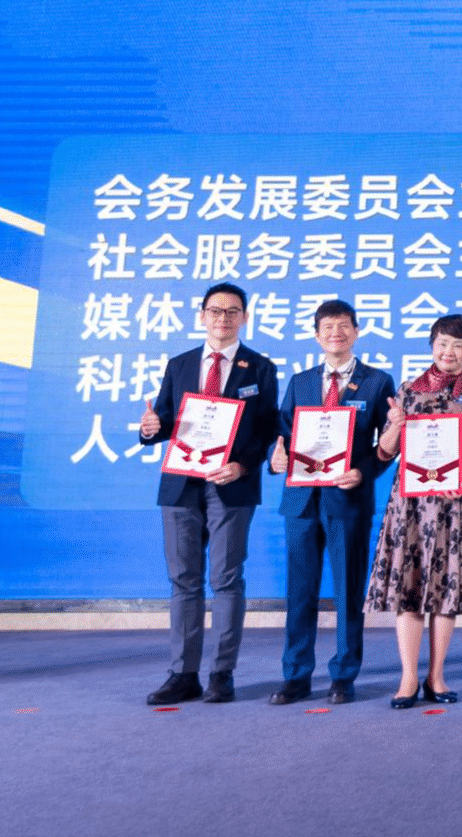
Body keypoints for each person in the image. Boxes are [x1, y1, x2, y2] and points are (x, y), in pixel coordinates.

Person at [139, 282, 280, 705]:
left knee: (226, 578)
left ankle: (222, 673)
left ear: (245, 318)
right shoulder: (179, 364)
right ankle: (183, 674)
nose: (223, 318)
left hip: (231, 484)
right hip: (181, 485)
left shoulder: (260, 368)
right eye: (215, 311)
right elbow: (165, 420)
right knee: (183, 579)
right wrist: (150, 429)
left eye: (233, 311)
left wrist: (243, 465)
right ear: (202, 316)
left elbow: (268, 430)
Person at [266, 299, 397, 706]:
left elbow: (387, 444)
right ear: (317, 335)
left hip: (348, 498)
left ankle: (343, 674)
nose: (335, 334)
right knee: (300, 591)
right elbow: (283, 434)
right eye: (328, 327)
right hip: (301, 500)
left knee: (347, 590)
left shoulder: (377, 381)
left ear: (356, 331)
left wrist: (364, 472)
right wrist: (275, 457)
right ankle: (295, 674)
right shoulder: (301, 381)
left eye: (343, 326)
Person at [365, 314, 462, 709]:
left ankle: (436, 676)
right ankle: (408, 677)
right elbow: (384, 452)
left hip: (455, 505)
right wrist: (395, 424)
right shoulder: (407, 391)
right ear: (431, 345)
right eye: (442, 343)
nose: (449, 352)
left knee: (446, 589)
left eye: (458, 345)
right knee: (409, 586)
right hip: (411, 505)